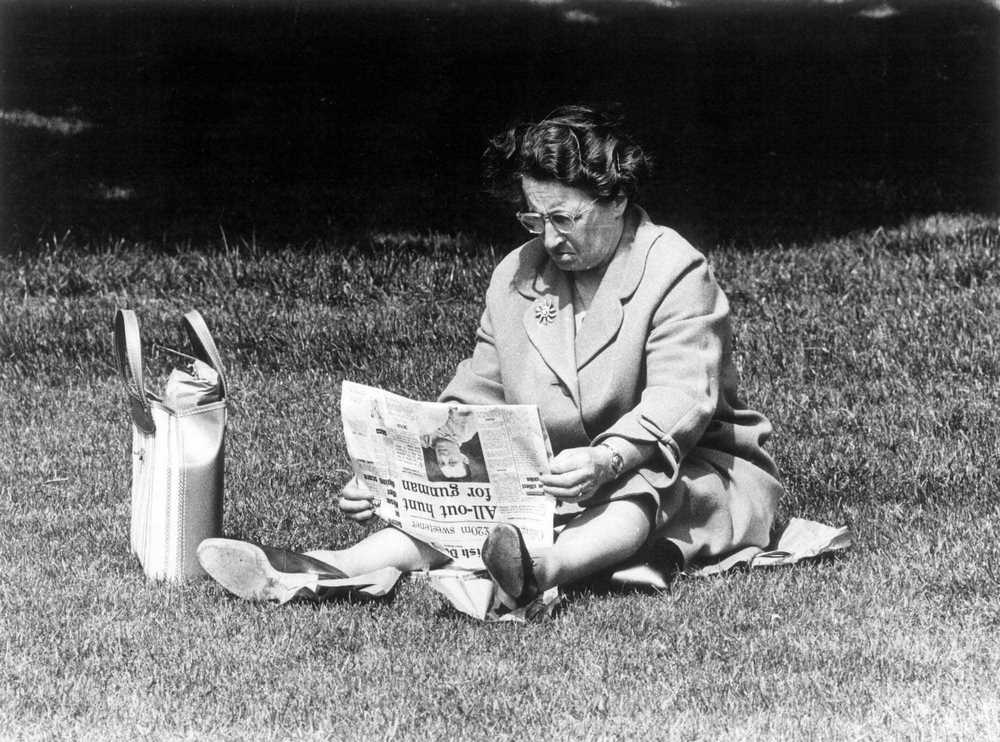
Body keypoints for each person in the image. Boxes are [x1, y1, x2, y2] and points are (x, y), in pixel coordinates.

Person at [200, 104, 783, 606]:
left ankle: (534, 575)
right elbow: (476, 394)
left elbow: (681, 403)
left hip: (686, 469)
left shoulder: (675, 269)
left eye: (564, 218)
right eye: (535, 217)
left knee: (636, 496)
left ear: (618, 199)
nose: (549, 238)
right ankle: (329, 569)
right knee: (457, 501)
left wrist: (607, 460)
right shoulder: (518, 274)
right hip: (554, 474)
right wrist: (398, 472)